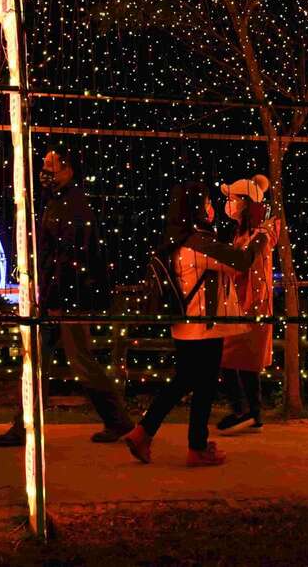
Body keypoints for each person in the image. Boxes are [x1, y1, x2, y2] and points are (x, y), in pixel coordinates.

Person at [122, 181, 278, 466]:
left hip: (184, 325)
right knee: (204, 386)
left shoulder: (176, 241)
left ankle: (144, 431)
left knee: (183, 381)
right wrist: (264, 234)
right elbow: (242, 260)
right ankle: (196, 447)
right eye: (206, 202)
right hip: (205, 326)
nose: (212, 207)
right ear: (195, 209)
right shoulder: (200, 244)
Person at [0, 145, 134, 447]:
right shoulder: (58, 201)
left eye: (51, 164)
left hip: (66, 299)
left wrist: (54, 299)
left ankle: (117, 420)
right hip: (59, 296)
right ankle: (25, 426)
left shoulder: (72, 205)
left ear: (68, 170)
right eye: (44, 163)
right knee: (43, 361)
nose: (44, 169)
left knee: (76, 361)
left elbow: (69, 258)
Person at [217, 175, 277, 434]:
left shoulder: (260, 234)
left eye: (233, 199)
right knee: (244, 362)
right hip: (241, 306)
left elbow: (244, 262)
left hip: (252, 307)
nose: (229, 204)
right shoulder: (243, 233)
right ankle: (251, 414)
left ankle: (244, 412)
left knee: (233, 359)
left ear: (246, 203)